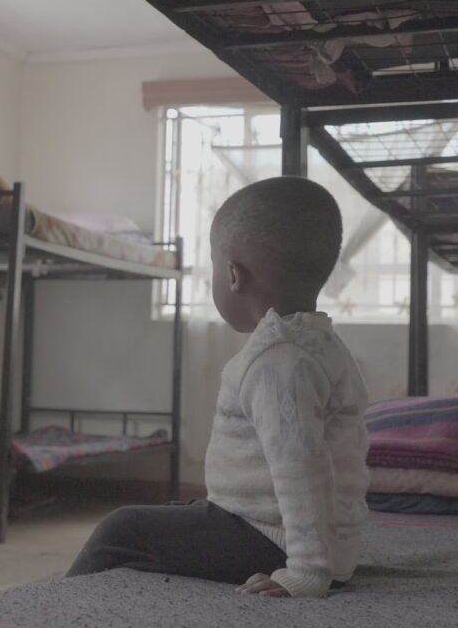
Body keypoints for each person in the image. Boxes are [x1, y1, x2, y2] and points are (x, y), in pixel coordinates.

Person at [66, 176, 370, 598]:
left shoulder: (276, 361)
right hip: (305, 537)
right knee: (180, 518)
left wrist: (307, 571)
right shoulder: (324, 345)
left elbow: (302, 467)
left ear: (232, 275)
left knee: (123, 529)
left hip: (275, 542)